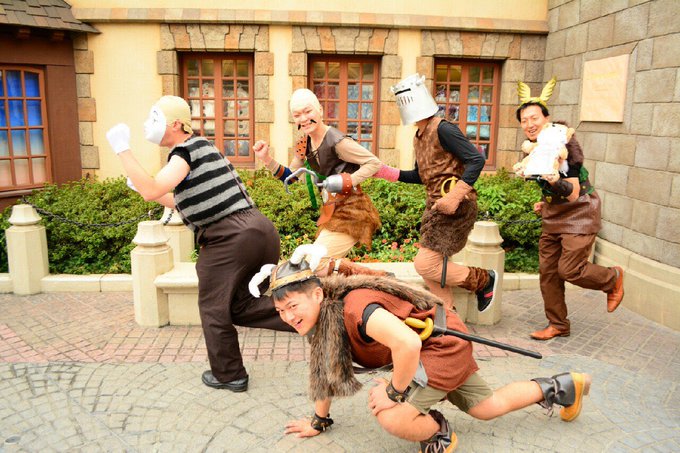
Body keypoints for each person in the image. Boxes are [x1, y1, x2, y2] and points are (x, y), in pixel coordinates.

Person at [249, 245, 591, 452]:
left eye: (292, 306)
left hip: (439, 348)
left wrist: (394, 392)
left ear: (317, 294)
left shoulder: (355, 309)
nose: (288, 316)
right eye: (281, 310)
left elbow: (408, 343)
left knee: (390, 414)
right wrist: (319, 421)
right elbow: (326, 371)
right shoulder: (323, 319)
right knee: (487, 407)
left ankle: (440, 436)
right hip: (442, 341)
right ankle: (563, 386)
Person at [105, 95, 294, 392]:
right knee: (240, 305)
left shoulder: (184, 151)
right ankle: (316, 315)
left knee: (213, 307)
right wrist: (143, 187)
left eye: (153, 118)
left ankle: (229, 374)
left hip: (229, 237)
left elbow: (152, 189)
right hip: (258, 230)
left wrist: (122, 149)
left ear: (175, 124)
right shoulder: (203, 147)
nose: (146, 125)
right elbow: (181, 202)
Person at [372, 74, 497, 312]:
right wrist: (385, 172)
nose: (406, 102)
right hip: (435, 208)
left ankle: (484, 280)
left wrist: (455, 196)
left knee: (425, 264)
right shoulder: (418, 137)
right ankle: (448, 316)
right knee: (429, 268)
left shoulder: (444, 128)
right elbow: (421, 176)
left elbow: (476, 160)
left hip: (457, 207)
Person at [514, 78, 625, 340]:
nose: (529, 124)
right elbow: (549, 181)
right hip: (554, 215)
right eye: (524, 120)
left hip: (579, 213)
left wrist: (556, 183)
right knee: (549, 273)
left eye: (534, 118)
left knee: (570, 269)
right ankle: (558, 324)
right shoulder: (534, 148)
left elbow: (573, 192)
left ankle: (612, 278)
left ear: (547, 118)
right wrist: (546, 199)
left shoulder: (565, 143)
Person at [252, 88, 388, 277]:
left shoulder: (337, 141)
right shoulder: (304, 143)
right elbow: (291, 177)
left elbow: (373, 163)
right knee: (314, 264)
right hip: (332, 211)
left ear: (320, 110)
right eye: (297, 115)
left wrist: (346, 181)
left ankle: (374, 278)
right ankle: (366, 279)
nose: (303, 118)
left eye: (308, 111)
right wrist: (266, 158)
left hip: (352, 212)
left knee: (313, 264)